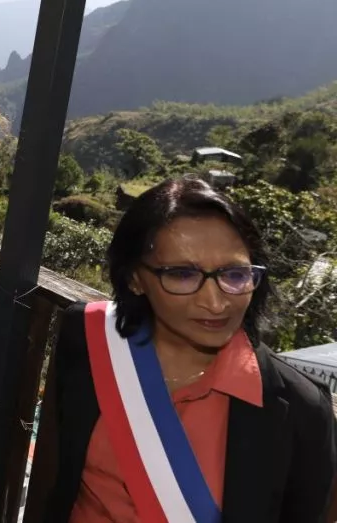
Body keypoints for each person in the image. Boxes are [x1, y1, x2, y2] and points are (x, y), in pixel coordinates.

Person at [39, 177, 337, 522]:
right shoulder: (91, 339)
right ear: (135, 278)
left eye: (235, 274)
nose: (215, 303)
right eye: (181, 274)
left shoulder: (299, 410)